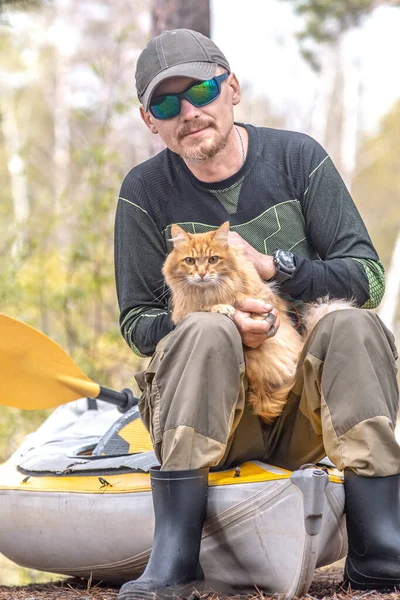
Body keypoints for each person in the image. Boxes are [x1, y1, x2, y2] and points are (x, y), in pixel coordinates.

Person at [114, 28, 400, 600]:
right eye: (166, 104)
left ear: (233, 88)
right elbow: (135, 324)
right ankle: (174, 558)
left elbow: (368, 277)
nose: (189, 112)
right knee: (204, 326)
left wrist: (276, 269)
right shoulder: (143, 193)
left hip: (304, 410)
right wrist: (210, 321)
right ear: (151, 121)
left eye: (201, 90)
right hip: (208, 422)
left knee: (352, 322)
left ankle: (381, 551)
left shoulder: (297, 158)